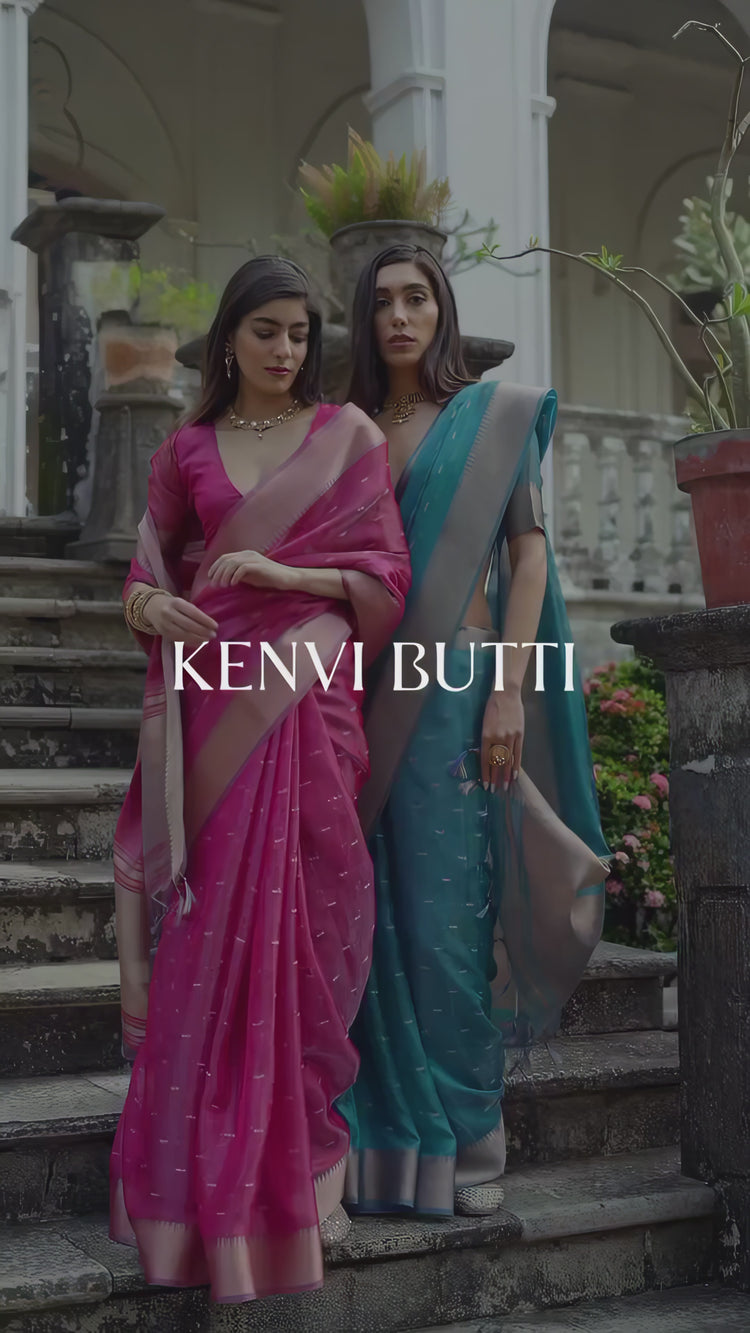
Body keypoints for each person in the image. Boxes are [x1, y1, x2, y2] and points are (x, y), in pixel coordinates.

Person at [109, 255, 410, 1302]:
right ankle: (196, 1192)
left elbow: (387, 579)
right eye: (268, 331)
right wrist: (154, 611)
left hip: (310, 700)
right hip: (214, 702)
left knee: (312, 927)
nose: (287, 351)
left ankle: (295, 1167)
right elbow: (148, 571)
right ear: (228, 336)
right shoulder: (185, 449)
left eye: (300, 334)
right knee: (207, 939)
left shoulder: (349, 439)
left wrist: (287, 575)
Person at [340, 244, 609, 1218]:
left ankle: (471, 1144)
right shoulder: (349, 430)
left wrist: (509, 692)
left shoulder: (491, 420)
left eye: (418, 298)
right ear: (364, 322)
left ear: (442, 311)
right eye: (382, 304)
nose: (401, 317)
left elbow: (526, 559)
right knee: (370, 922)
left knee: (449, 922)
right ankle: (384, 1151)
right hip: (364, 695)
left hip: (459, 691)